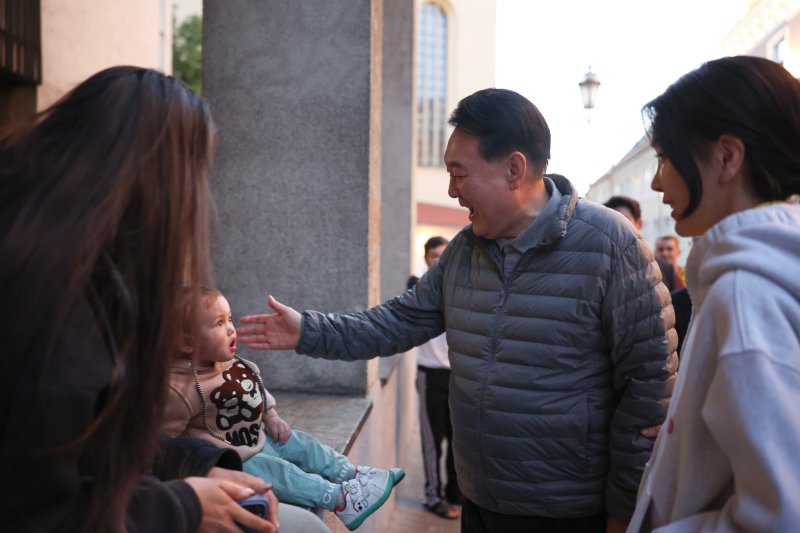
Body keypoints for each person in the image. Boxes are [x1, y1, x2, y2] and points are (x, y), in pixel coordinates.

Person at [238, 88, 678, 532]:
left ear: (514, 169)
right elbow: (400, 320)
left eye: (459, 173)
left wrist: (624, 511)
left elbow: (648, 393)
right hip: (481, 499)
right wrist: (308, 330)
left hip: (568, 510)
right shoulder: (466, 251)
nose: (451, 191)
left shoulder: (610, 244)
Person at [0, 66, 312, 533]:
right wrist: (183, 505)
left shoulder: (87, 277)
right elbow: (40, 506)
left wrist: (199, 465)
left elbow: (97, 449)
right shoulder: (50, 303)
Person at [627, 55, 800, 531]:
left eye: (665, 157)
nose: (658, 181)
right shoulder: (762, 270)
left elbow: (780, 515)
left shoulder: (746, 292)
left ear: (727, 157)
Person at [163, 286, 405, 531]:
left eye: (230, 319)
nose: (230, 329)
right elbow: (166, 443)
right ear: (186, 341)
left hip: (259, 436)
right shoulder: (179, 389)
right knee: (282, 474)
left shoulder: (229, 362)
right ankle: (341, 500)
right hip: (237, 460)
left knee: (302, 443)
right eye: (218, 323)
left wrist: (271, 416)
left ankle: (352, 475)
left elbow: (255, 390)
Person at [407, 236, 461, 520]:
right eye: (434, 255)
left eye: (444, 254)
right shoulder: (420, 285)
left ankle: (455, 492)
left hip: (457, 375)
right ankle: (432, 496)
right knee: (432, 441)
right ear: (427, 258)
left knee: (457, 439)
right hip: (430, 375)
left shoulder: (460, 284)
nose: (439, 260)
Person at [603, 195, 677, 292]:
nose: (618, 226)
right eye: (612, 220)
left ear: (639, 223)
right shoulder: (599, 267)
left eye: (624, 219)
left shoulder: (664, 268)